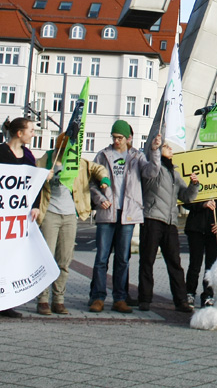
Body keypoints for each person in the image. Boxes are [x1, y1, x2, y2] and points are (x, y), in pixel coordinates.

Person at [34, 134, 111, 316]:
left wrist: (104, 180)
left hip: (70, 215)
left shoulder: (79, 162)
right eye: (66, 147)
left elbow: (99, 169)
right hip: (50, 214)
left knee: (64, 260)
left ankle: (59, 300)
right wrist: (44, 175)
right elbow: (32, 175)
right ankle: (42, 299)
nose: (70, 151)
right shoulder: (47, 159)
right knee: (46, 258)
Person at [87, 120, 158, 313]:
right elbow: (92, 182)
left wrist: (155, 152)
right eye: (114, 137)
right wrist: (99, 198)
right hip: (107, 211)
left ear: (128, 138)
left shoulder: (137, 156)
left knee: (123, 258)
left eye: (120, 137)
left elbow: (152, 172)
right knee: (101, 258)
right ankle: (97, 297)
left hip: (128, 213)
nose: (117, 141)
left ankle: (120, 297)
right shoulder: (103, 155)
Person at [0, 116, 40, 318]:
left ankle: (6, 302)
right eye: (31, 130)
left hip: (15, 218)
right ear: (19, 133)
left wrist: (35, 206)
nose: (34, 133)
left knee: (10, 260)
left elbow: (33, 182)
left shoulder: (28, 156)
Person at [138, 139, 200, 312]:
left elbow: (186, 197)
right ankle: (144, 299)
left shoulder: (174, 173)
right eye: (166, 147)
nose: (170, 149)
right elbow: (152, 170)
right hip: (152, 218)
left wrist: (195, 185)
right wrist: (155, 149)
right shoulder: (153, 168)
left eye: (169, 147)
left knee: (174, 262)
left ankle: (181, 300)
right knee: (147, 260)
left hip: (170, 222)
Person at [183, 197, 217, 307]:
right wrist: (203, 204)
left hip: (214, 231)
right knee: (194, 264)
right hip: (196, 229)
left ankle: (208, 295)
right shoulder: (197, 182)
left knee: (211, 266)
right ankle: (189, 293)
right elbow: (186, 201)